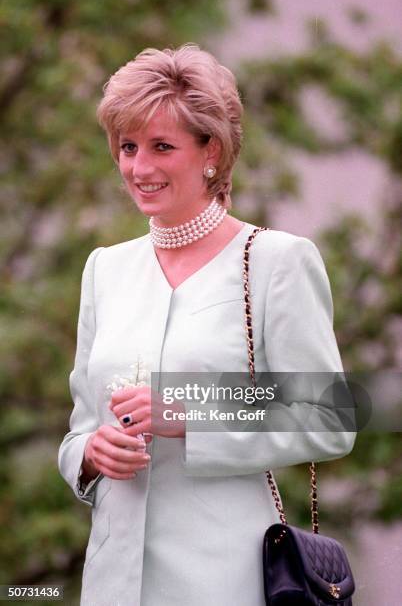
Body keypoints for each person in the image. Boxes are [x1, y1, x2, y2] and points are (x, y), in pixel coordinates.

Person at [58, 43, 355, 606]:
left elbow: (331, 416)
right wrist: (91, 456)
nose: (139, 168)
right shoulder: (104, 269)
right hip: (112, 585)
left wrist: (190, 412)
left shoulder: (276, 261)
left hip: (227, 581)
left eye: (162, 146)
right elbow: (79, 430)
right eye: (127, 147)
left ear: (211, 150)